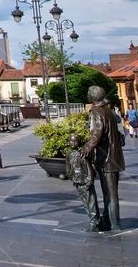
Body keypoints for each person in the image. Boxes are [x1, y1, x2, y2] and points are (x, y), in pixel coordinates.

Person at [80, 85, 124, 232]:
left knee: (110, 194)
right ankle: (108, 221)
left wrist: (87, 148)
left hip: (107, 159)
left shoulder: (97, 111)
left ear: (92, 97)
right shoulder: (108, 111)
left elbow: (96, 133)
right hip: (114, 157)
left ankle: (115, 224)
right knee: (109, 192)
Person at [67, 133, 100, 232]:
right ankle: (92, 220)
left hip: (85, 182)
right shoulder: (70, 154)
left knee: (91, 202)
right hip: (77, 181)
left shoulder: (82, 153)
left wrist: (89, 180)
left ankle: (94, 222)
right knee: (85, 203)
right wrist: (71, 177)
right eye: (71, 140)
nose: (73, 143)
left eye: (75, 140)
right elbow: (69, 167)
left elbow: (88, 167)